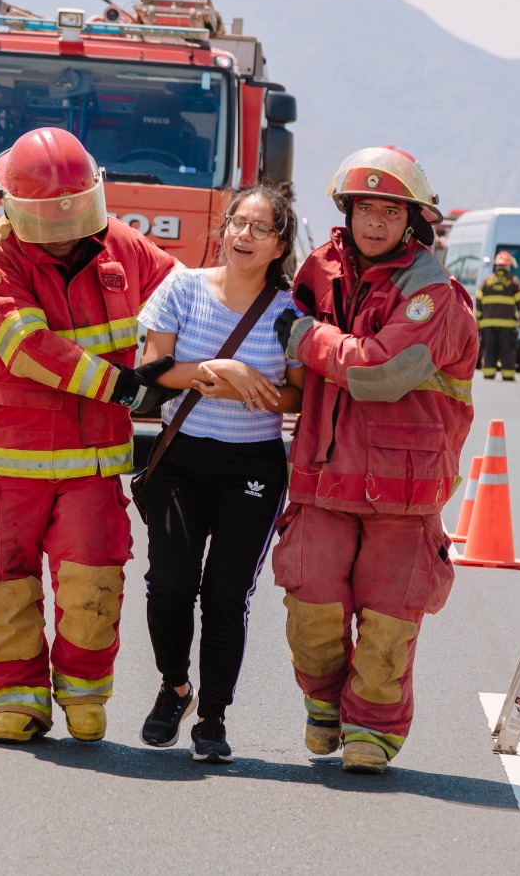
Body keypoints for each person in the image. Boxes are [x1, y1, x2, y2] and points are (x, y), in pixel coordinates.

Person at [0, 127, 178, 745]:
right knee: (6, 584)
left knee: (93, 582)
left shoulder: (121, 247)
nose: (67, 225)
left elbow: (185, 295)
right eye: (52, 214)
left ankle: (84, 698)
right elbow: (27, 349)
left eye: (75, 209)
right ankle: (17, 702)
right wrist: (128, 389)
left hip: (93, 463)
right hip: (10, 462)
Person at [273, 145, 477, 775]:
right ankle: (326, 704)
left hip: (404, 489)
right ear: (348, 211)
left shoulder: (433, 295)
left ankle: (373, 729)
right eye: (365, 208)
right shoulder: (318, 269)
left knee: (388, 623)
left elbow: (382, 369)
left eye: (390, 210)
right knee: (310, 606)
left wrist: (308, 339)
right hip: (321, 477)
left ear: (412, 219)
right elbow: (272, 334)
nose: (375, 222)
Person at [135, 186, 305, 764]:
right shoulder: (182, 288)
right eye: (238, 223)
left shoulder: (290, 314)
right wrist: (226, 370)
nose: (244, 236)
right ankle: (174, 688)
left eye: (261, 229)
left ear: (280, 243)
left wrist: (233, 383)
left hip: (250, 467)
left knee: (226, 595)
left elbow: (294, 396)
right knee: (171, 583)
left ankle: (212, 717)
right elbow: (155, 373)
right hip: (179, 457)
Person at [474, 251, 520, 380]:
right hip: (508, 325)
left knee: (489, 349)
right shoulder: (514, 281)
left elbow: (478, 300)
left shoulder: (486, 281)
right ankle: (508, 375)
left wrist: (479, 319)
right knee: (507, 350)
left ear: (496, 265)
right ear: (508, 266)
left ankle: (489, 373)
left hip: (488, 324)